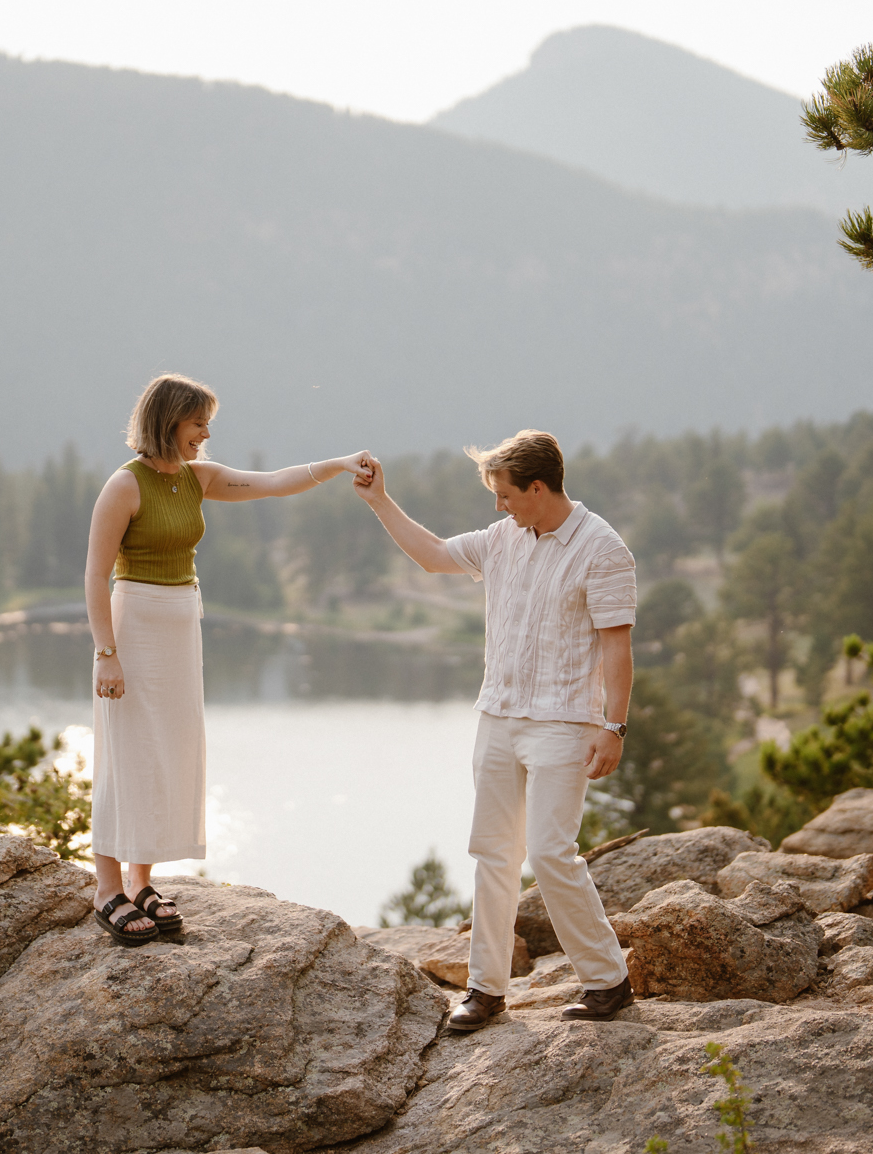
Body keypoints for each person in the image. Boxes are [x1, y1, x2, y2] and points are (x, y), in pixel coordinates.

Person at [354, 429, 636, 1029]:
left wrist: (613, 726)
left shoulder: (603, 548)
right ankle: (486, 990)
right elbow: (431, 554)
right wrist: (380, 499)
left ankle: (608, 981)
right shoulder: (501, 539)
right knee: (493, 852)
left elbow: (617, 647)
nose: (499, 506)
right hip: (499, 714)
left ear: (538, 487)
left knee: (552, 853)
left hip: (566, 722)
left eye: (506, 494)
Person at [84, 373, 373, 946]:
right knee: (127, 751)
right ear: (170, 422)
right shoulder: (124, 486)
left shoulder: (199, 478)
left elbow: (272, 483)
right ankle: (106, 888)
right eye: (198, 423)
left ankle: (143, 881)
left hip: (180, 623)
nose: (206, 433)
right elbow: (94, 574)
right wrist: (106, 654)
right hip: (134, 624)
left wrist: (339, 463)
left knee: (170, 748)